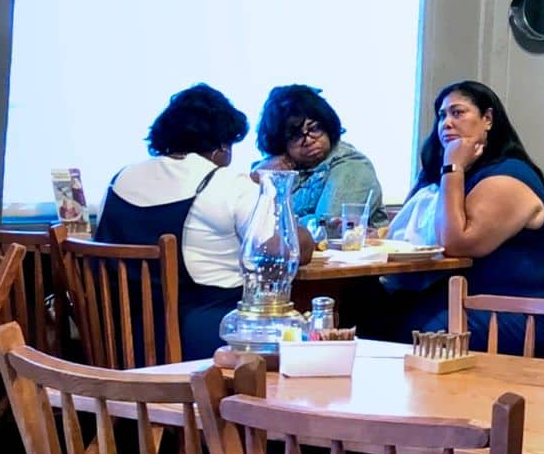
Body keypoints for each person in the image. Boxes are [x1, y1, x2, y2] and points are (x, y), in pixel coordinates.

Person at [97, 84, 275, 358]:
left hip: (120, 344)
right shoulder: (227, 184)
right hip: (203, 349)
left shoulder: (119, 180)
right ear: (222, 146)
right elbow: (278, 250)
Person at [385, 81, 544, 353]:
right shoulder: (456, 172)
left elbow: (456, 243)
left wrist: (452, 167)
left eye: (457, 113)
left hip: (514, 310)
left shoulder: (508, 177)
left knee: (410, 329)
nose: (446, 123)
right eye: (442, 116)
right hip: (457, 299)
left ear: (487, 118)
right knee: (364, 309)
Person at [253, 84, 386, 241]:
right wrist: (257, 177)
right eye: (295, 135)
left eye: (314, 128)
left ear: (327, 124)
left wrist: (277, 222)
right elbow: (248, 222)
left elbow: (327, 231)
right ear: (281, 144)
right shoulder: (277, 167)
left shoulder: (352, 166)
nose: (308, 140)